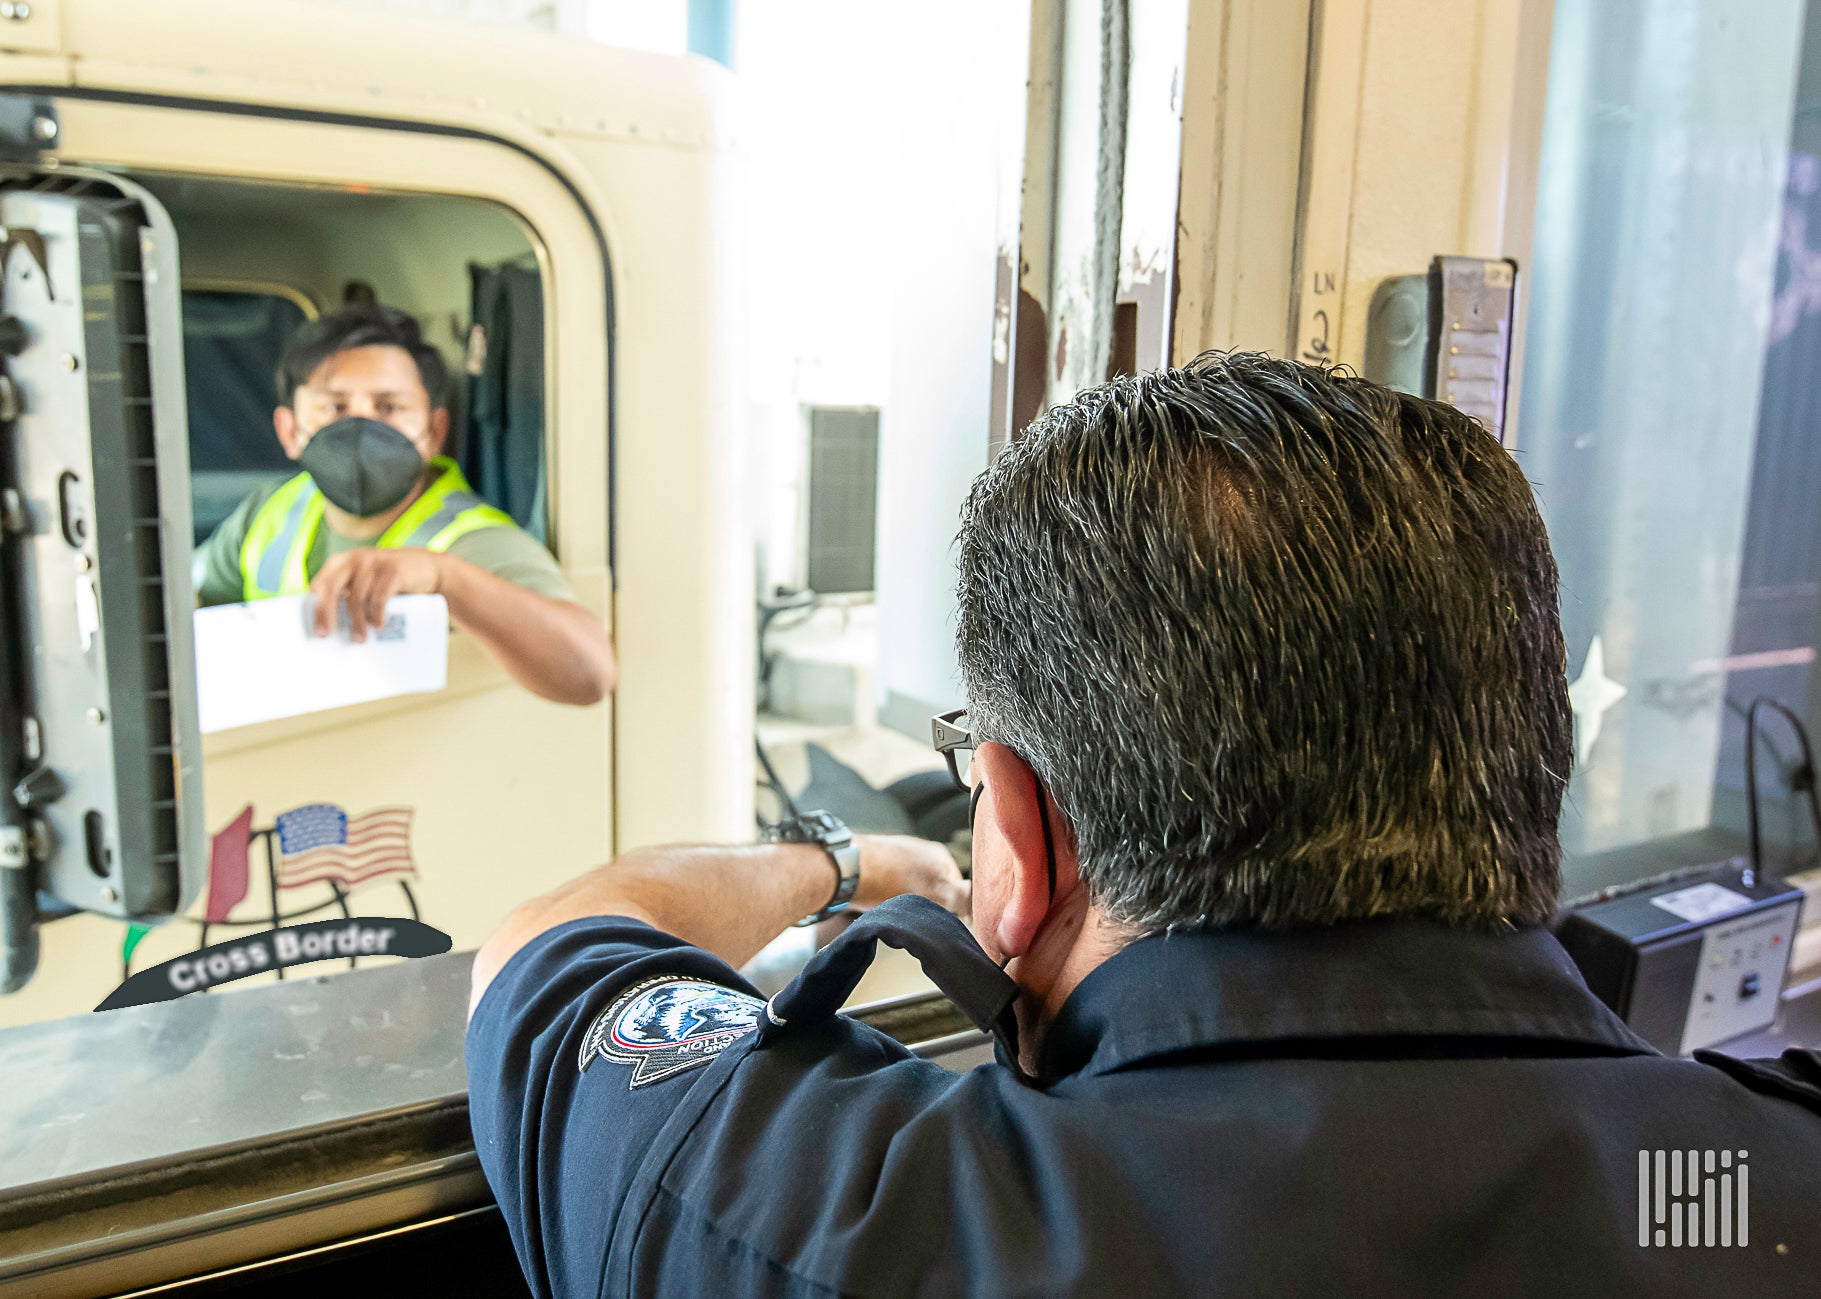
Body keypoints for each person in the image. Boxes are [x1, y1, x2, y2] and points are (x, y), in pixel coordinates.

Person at [464, 353, 1821, 1297]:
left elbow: (549, 944)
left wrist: (844, 860)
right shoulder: (1736, 1193)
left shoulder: (852, 1223)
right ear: (1531, 754)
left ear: (1020, 832)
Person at [192, 304, 615, 706]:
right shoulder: (270, 512)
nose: (361, 425)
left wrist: (445, 579)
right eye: (335, 407)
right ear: (288, 430)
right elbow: (194, 602)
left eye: (388, 407)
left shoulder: (471, 539)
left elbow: (590, 673)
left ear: (434, 431)